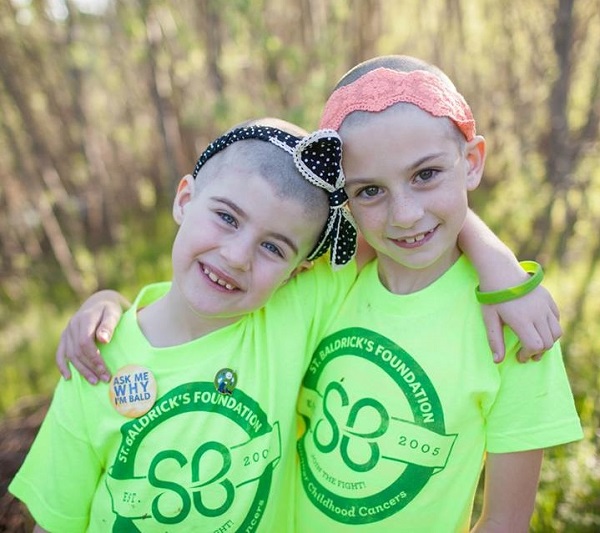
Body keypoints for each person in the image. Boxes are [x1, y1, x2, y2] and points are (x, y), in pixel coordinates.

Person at [9, 118, 362, 532]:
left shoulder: (288, 319)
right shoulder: (94, 359)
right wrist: (105, 300)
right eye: (227, 218)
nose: (236, 256)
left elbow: (394, 223)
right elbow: (55, 523)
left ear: (297, 272)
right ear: (184, 199)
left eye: (272, 247)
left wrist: (461, 223)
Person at [293, 55, 582, 531]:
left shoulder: (513, 332)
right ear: (346, 198)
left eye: (425, 175)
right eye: (370, 191)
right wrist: (118, 308)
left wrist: (493, 261)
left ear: (471, 163)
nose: (404, 214)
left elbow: (506, 522)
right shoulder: (326, 282)